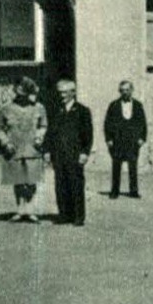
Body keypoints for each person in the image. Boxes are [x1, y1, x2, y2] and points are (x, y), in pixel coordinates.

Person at [0, 77, 47, 222]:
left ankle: (30, 210)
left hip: (32, 149)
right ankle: (20, 209)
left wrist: (39, 138)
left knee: (31, 180)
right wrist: (6, 143)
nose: (21, 97)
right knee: (18, 180)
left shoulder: (39, 108)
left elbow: (43, 126)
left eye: (25, 94)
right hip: (14, 149)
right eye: (19, 93)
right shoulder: (5, 109)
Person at [46, 80, 94, 227]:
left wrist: (85, 152)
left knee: (76, 185)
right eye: (59, 92)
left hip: (75, 154)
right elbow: (50, 133)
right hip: (59, 155)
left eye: (65, 92)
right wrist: (47, 151)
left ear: (73, 92)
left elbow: (88, 134)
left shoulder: (82, 111)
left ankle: (78, 216)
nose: (62, 96)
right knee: (60, 185)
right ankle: (64, 215)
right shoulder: (55, 110)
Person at [103, 79, 148, 199]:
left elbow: (143, 123)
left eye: (127, 90)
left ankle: (133, 191)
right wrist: (109, 139)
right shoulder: (113, 105)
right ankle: (114, 191)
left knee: (133, 166)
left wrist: (142, 138)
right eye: (122, 90)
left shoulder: (138, 105)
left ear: (132, 90)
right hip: (117, 141)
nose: (125, 93)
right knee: (116, 166)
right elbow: (107, 123)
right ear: (119, 91)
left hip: (132, 142)